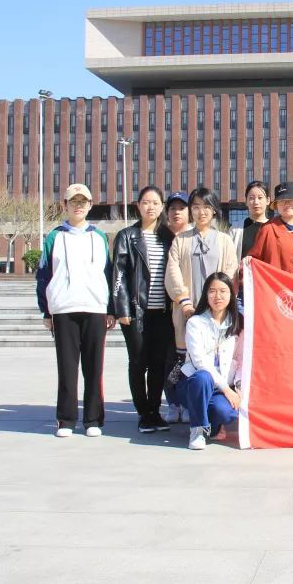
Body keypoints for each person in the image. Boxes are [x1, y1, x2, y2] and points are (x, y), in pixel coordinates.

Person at [36, 183, 116, 438]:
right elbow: (43, 275)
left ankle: (93, 419)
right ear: (65, 205)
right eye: (74, 201)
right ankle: (66, 420)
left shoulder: (100, 237)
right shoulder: (54, 237)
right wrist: (46, 311)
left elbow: (108, 274)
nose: (78, 206)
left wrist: (111, 309)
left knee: (94, 369)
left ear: (90, 205)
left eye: (83, 202)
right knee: (67, 368)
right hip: (64, 309)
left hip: (94, 308)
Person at [111, 185, 175, 434]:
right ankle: (143, 413)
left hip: (162, 313)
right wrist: (122, 309)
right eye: (146, 202)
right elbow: (118, 276)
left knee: (159, 364)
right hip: (136, 312)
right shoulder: (127, 236)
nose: (151, 207)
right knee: (138, 362)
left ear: (162, 207)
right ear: (138, 206)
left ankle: (154, 411)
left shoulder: (168, 237)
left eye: (156, 203)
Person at [165, 187, 238, 374]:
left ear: (214, 210)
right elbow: (173, 271)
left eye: (206, 206)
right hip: (188, 309)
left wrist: (219, 299)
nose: (201, 212)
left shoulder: (224, 240)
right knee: (187, 359)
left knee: (216, 358)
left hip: (217, 310)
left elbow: (231, 271)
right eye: (196, 207)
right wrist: (184, 301)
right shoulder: (180, 240)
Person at [177, 273, 244, 450]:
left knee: (228, 413)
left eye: (223, 291)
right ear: (206, 295)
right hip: (194, 383)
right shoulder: (195, 322)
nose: (217, 296)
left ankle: (209, 423)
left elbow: (241, 360)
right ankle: (197, 430)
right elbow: (200, 362)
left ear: (231, 295)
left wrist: (238, 386)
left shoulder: (238, 325)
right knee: (203, 376)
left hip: (220, 388)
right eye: (212, 291)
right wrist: (227, 390)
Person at [161, 190, 192, 424]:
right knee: (170, 359)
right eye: (172, 208)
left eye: (182, 208)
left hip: (189, 308)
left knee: (190, 358)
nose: (177, 212)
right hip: (163, 307)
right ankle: (172, 402)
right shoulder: (159, 236)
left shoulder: (195, 236)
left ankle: (188, 402)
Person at [248, 180, 293, 278]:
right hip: (278, 286)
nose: (286, 203)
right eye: (282, 201)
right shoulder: (268, 229)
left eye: (291, 199)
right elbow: (254, 261)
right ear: (276, 205)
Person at [229, 181, 271, 259]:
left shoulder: (273, 228)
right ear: (246, 202)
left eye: (260, 198)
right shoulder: (235, 229)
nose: (256, 202)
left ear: (268, 200)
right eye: (251, 198)